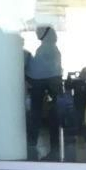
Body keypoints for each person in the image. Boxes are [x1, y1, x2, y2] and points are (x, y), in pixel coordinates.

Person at [26, 25, 65, 161]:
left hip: (43, 84)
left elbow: (39, 69)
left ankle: (33, 145)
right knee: (54, 116)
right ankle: (54, 149)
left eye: (39, 32)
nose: (37, 34)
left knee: (37, 114)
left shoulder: (45, 49)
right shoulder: (52, 49)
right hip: (53, 83)